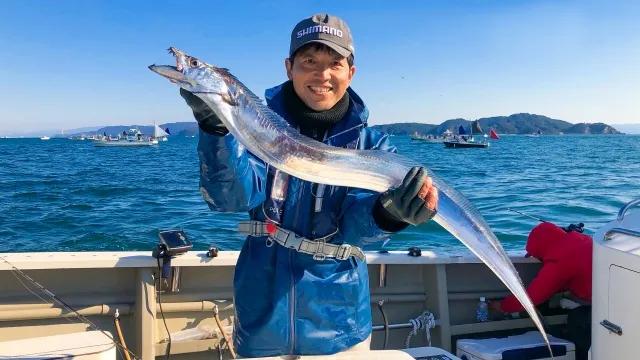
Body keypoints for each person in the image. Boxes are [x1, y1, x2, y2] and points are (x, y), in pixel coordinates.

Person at [180, 13, 438, 357]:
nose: (322, 74)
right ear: (289, 67)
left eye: (335, 63)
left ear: (351, 72)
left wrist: (390, 214)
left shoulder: (374, 147)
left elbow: (356, 233)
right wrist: (217, 131)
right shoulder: (256, 128)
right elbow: (228, 198)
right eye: (309, 61)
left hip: (340, 329)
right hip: (260, 324)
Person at [489, 222, 592, 359]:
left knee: (577, 320)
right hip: (613, 292)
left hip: (601, 306)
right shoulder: (581, 239)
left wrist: (501, 306)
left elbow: (529, 300)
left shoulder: (559, 261)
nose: (538, 259)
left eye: (536, 255)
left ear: (542, 248)